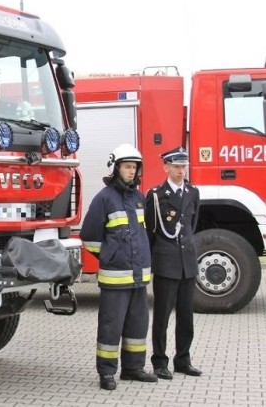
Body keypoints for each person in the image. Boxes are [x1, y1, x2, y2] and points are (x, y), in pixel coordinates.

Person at [80, 143, 157, 390]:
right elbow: (89, 236)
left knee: (137, 326)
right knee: (110, 327)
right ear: (115, 168)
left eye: (134, 167)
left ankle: (133, 368)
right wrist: (109, 255)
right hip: (115, 278)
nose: (131, 172)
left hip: (138, 277)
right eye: (127, 167)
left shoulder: (138, 197)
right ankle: (106, 372)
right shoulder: (104, 198)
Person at [145, 146, 202, 380]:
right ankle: (159, 361)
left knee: (186, 316)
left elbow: (192, 225)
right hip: (166, 263)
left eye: (183, 166)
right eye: (177, 167)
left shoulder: (193, 192)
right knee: (162, 316)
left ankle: (183, 360)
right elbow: (151, 231)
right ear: (166, 167)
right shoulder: (157, 195)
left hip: (187, 262)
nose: (181, 171)